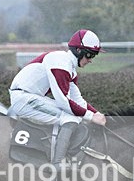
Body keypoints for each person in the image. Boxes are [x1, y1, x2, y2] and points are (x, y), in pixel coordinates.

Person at [8, 29, 107, 164]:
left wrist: (97, 114)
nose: (91, 60)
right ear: (79, 51)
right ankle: (58, 163)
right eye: (90, 55)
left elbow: (78, 100)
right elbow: (63, 102)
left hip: (31, 97)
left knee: (75, 116)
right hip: (24, 99)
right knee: (70, 118)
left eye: (93, 56)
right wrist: (90, 117)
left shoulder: (69, 68)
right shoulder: (61, 64)